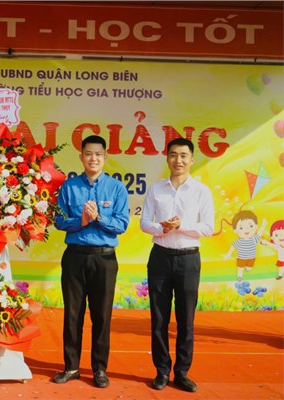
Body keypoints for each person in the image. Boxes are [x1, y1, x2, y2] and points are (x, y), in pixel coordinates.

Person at [53, 135, 130, 387]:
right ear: (81, 157)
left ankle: (99, 369)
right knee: (72, 315)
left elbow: (122, 224)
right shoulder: (69, 186)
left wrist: (98, 218)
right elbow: (59, 220)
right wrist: (81, 222)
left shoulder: (116, 188)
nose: (93, 158)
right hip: (75, 257)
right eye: (88, 154)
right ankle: (71, 367)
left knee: (102, 316)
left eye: (98, 154)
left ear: (105, 157)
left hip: (104, 259)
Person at [140, 138, 215, 393]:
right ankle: (162, 370)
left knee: (186, 318)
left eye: (183, 155)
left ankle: (182, 372)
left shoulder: (201, 191)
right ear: (167, 158)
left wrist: (182, 225)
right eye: (173, 155)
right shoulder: (156, 189)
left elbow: (208, 227)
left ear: (192, 159)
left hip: (188, 259)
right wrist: (161, 228)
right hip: (160, 257)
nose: (178, 160)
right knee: (159, 318)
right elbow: (144, 223)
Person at [223, 210, 267, 282]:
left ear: (256, 227)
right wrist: (228, 254)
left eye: (250, 226)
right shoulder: (239, 241)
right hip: (241, 257)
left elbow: (259, 234)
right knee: (240, 267)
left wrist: (263, 225)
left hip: (251, 257)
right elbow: (233, 247)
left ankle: (248, 268)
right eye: (241, 228)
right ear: (235, 231)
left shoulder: (254, 239)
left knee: (249, 267)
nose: (246, 229)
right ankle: (239, 276)